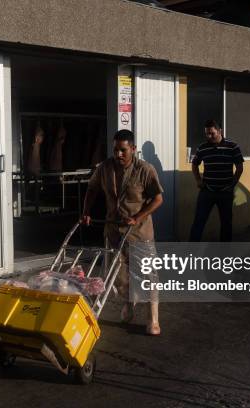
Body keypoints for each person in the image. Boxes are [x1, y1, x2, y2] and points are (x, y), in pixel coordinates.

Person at [82, 129, 163, 335]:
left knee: (147, 275)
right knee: (118, 276)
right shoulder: (105, 168)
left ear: (133, 149)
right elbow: (92, 189)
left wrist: (138, 217)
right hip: (114, 231)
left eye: (123, 150)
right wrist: (86, 212)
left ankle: (153, 319)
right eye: (116, 149)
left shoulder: (145, 170)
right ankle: (129, 303)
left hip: (139, 232)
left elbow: (157, 199)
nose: (118, 154)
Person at [189, 119, 244, 242]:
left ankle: (224, 254)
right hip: (207, 191)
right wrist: (198, 180)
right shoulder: (202, 148)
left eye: (212, 133)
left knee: (226, 224)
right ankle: (191, 252)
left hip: (225, 192)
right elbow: (194, 164)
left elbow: (240, 168)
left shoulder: (232, 147)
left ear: (220, 131)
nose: (209, 136)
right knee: (199, 222)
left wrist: (232, 185)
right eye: (207, 134)